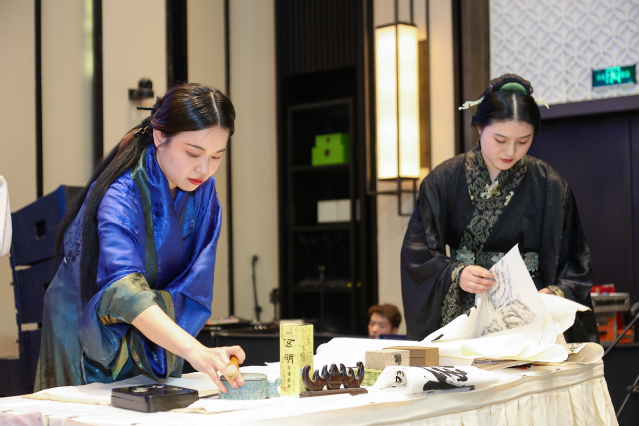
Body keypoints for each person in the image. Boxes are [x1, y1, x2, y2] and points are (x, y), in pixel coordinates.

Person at [36, 83, 246, 392]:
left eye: (216, 156)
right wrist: (195, 350)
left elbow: (195, 283)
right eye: (193, 153)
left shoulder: (204, 191)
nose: (204, 169)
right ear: (160, 137)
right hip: (86, 327)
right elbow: (123, 288)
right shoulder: (122, 192)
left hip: (154, 329)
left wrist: (195, 349)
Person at [400, 74, 598, 343]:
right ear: (479, 128)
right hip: (465, 311)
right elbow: (418, 253)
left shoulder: (550, 184)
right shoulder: (443, 179)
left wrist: (555, 293)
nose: (511, 151)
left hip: (528, 315)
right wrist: (456, 274)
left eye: (523, 141)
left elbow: (576, 264)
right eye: (500, 140)